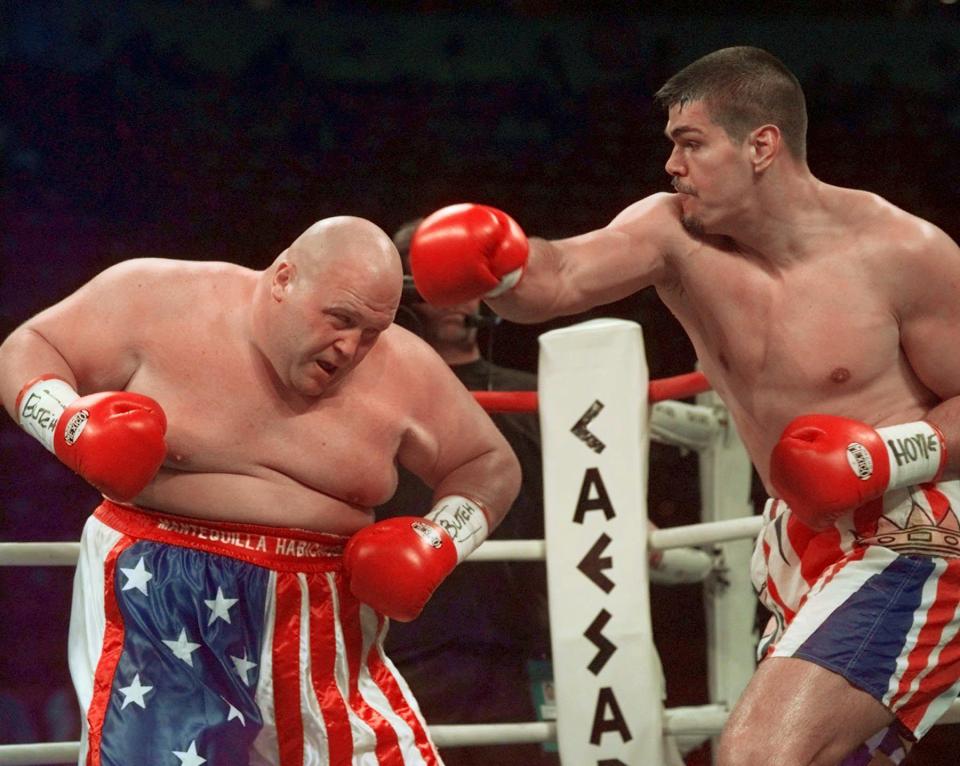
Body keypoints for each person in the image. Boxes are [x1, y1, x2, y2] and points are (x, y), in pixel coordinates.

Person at [405, 46, 960, 766]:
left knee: (759, 754)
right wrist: (499, 260)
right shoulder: (673, 233)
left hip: (912, 532)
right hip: (801, 535)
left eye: (690, 143)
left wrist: (879, 456)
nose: (672, 165)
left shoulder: (901, 252)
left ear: (761, 145)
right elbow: (560, 276)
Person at [0, 215, 521, 765]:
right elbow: (26, 349)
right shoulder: (158, 298)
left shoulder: (405, 367)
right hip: (164, 597)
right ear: (283, 279)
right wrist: (71, 425)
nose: (351, 347)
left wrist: (440, 540)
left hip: (323, 619)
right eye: (340, 319)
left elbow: (489, 463)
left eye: (372, 331)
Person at [380, 219, 557, 766]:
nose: (460, 301)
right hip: (405, 644)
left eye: (465, 284)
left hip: (515, 646)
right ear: (409, 297)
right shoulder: (378, 399)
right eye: (440, 286)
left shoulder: (534, 394)